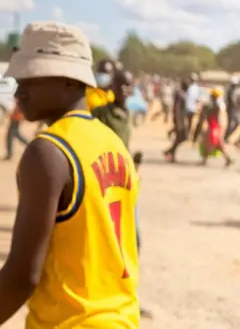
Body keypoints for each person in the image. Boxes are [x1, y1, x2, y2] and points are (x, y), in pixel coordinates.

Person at [0, 22, 139, 329]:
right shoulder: (113, 143)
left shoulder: (48, 151)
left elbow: (22, 275)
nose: (19, 91)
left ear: (70, 82)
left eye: (31, 78)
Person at [91, 70, 152, 319]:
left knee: (132, 241)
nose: (124, 90)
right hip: (104, 184)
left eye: (128, 85)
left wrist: (131, 160)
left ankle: (127, 294)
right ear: (112, 87)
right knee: (107, 242)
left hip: (125, 184)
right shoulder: (99, 114)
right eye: (120, 85)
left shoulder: (126, 114)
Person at [193, 87, 233, 166]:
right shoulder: (216, 105)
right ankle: (227, 159)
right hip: (215, 126)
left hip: (213, 126)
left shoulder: (213, 105)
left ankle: (205, 160)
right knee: (216, 143)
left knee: (210, 143)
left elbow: (206, 116)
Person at [164, 79, 189, 163]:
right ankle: (170, 152)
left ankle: (169, 151)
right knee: (182, 137)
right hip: (179, 119)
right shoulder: (180, 95)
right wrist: (179, 123)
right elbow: (178, 109)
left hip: (181, 119)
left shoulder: (183, 94)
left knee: (181, 137)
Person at [224, 76, 240, 142]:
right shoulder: (232, 90)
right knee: (234, 123)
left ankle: (227, 136)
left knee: (234, 123)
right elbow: (233, 101)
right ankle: (227, 136)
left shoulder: (233, 90)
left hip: (233, 109)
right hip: (232, 109)